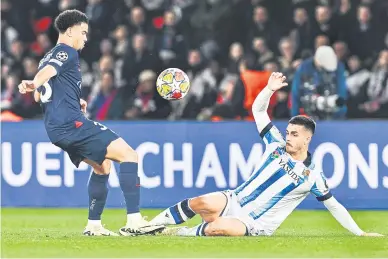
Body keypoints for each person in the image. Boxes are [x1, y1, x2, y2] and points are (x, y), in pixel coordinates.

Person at [144, 72, 383, 237]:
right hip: (234, 199)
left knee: (216, 228)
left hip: (254, 223)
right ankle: (149, 226)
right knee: (200, 202)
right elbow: (258, 110)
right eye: (288, 132)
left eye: (295, 134)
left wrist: (359, 232)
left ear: (307, 139)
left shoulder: (312, 176)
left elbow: (335, 206)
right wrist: (269, 89)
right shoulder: (275, 143)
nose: (288, 137)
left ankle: (183, 233)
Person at [18, 10, 163, 237]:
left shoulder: (47, 55)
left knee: (102, 166)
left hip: (56, 130)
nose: (86, 38)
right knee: (129, 155)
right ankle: (135, 221)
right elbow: (45, 76)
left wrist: (75, 101)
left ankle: (93, 225)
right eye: (83, 33)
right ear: (69, 31)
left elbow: (41, 95)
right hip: (71, 125)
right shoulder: (67, 52)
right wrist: (34, 82)